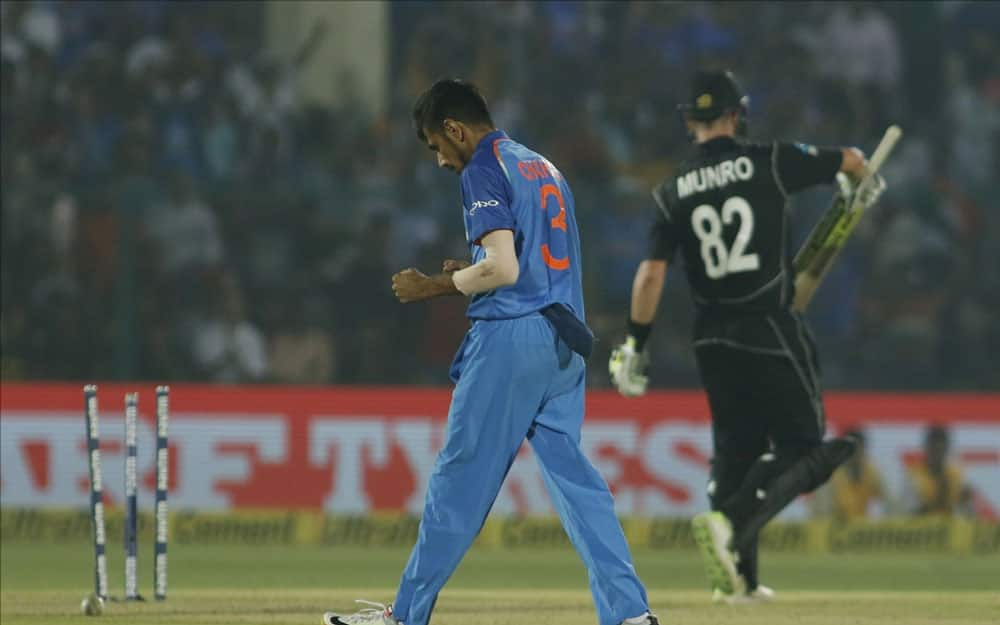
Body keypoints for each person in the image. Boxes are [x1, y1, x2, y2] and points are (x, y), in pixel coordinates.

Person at [322, 79, 659, 625]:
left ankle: (405, 617)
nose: (439, 160)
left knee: (459, 482)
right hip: (563, 343)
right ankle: (630, 615)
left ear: (455, 129)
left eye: (436, 145)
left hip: (512, 341)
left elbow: (505, 268)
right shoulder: (542, 166)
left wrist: (432, 285)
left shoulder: (482, 166)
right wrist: (470, 271)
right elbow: (528, 259)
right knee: (577, 487)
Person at [608, 69, 884, 603]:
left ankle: (740, 581)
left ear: (690, 123)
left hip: (710, 337)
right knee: (804, 443)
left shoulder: (670, 192)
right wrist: (859, 188)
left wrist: (635, 346)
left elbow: (650, 277)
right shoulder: (770, 160)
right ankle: (730, 523)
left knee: (737, 453)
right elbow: (851, 159)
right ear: (737, 114)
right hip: (767, 324)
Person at [811, 428, 889, 520]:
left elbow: (890, 501)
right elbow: (822, 512)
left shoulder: (871, 472)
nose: (856, 456)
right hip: (834, 528)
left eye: (860, 450)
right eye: (852, 451)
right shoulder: (831, 475)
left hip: (860, 528)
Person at [901, 424, 973, 517]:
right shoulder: (913, 476)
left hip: (949, 528)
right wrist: (938, 498)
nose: (937, 453)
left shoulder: (956, 475)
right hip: (923, 529)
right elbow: (906, 513)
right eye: (934, 448)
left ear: (947, 449)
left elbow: (968, 516)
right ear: (926, 448)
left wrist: (965, 503)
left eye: (941, 448)